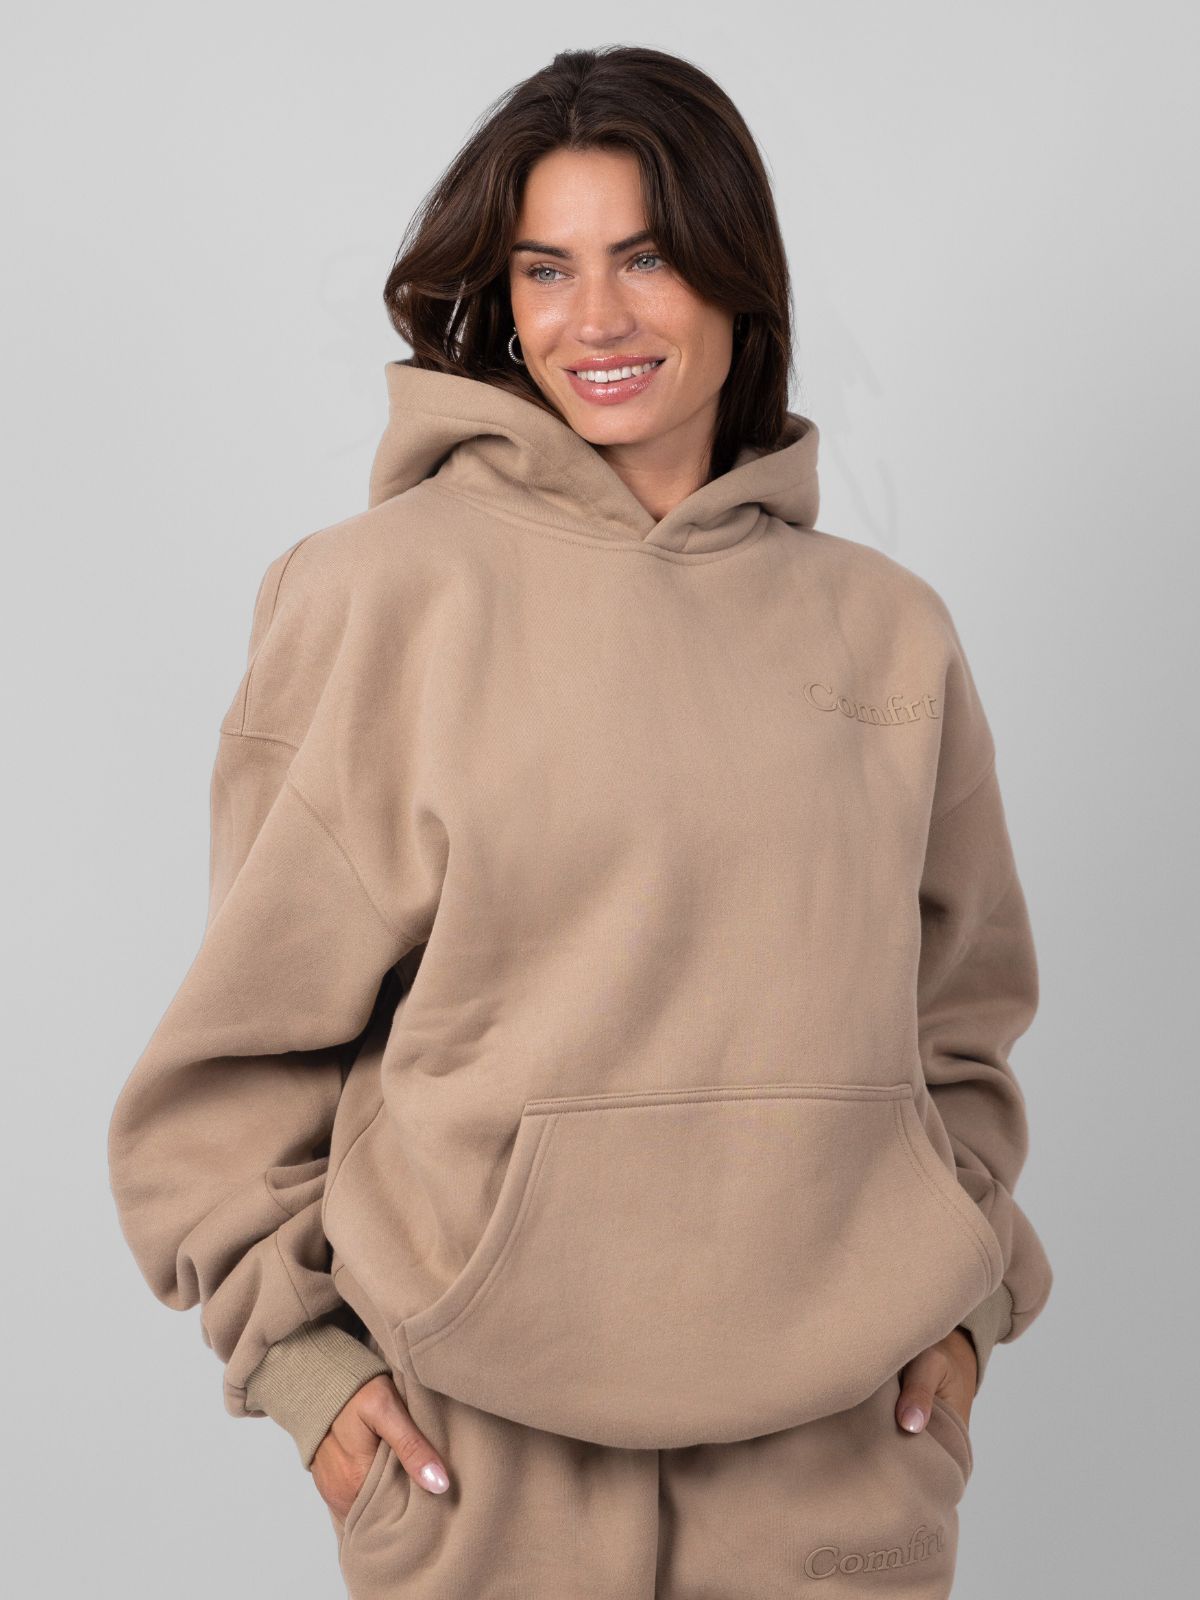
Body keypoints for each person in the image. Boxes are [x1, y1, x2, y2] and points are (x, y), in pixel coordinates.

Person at [106, 43, 1053, 1599]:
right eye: (546, 269)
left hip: (836, 1456)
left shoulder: (889, 633)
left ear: (740, 278)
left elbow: (961, 1024)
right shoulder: (376, 598)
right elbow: (230, 1064)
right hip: (488, 1461)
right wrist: (306, 1372)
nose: (592, 318)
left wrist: (963, 1307)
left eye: (647, 258)